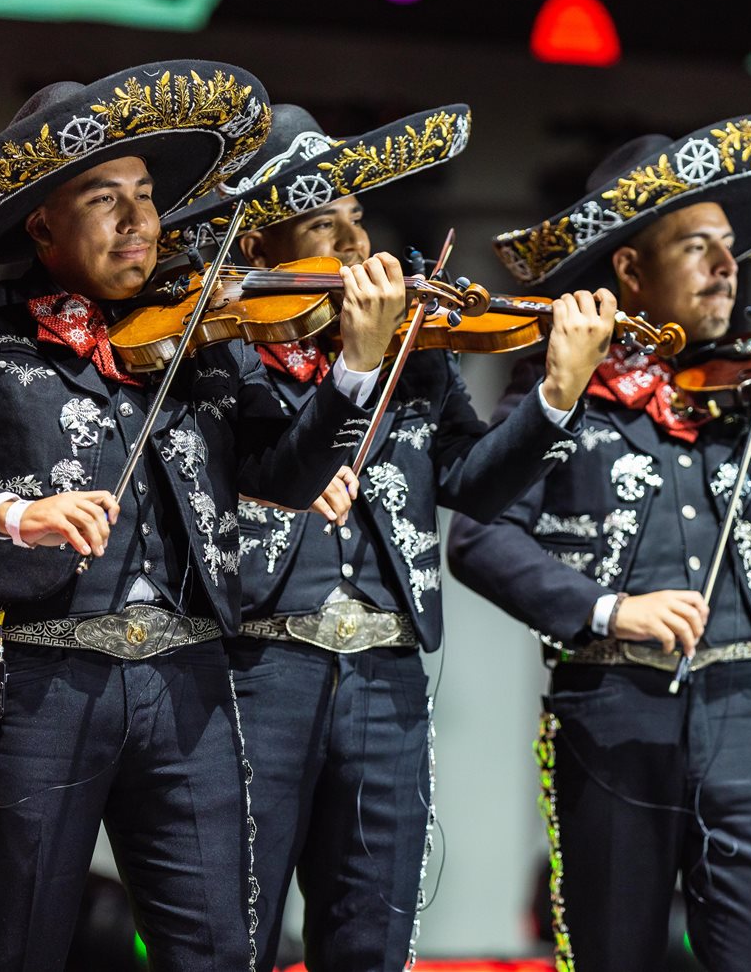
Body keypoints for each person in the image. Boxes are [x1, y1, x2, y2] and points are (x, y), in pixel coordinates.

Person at [0, 61, 408, 972]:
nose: (138, 221)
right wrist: (15, 513)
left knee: (220, 950)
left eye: (147, 196)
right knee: (20, 944)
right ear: (43, 225)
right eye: (103, 199)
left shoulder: (200, 331)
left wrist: (355, 367)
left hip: (192, 679)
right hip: (44, 676)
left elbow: (286, 473)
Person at [447, 114, 751, 972]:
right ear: (631, 269)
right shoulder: (564, 384)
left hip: (749, 708)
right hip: (611, 708)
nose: (725, 265)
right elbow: (478, 539)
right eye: (696, 247)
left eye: (729, 247)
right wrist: (610, 609)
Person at [162, 102, 617, 970]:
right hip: (257, 664)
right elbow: (247, 473)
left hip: (387, 670)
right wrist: (355, 367)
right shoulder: (219, 343)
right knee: (233, 936)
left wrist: (556, 396)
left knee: (373, 936)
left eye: (357, 220)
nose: (356, 246)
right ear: (258, 246)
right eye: (322, 227)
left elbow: (470, 481)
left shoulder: (416, 344)